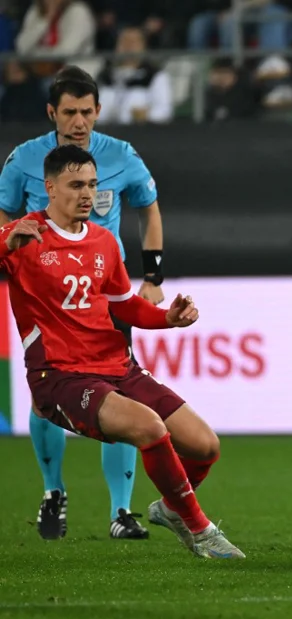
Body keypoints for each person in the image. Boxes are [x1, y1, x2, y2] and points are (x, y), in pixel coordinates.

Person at [1, 145, 244, 559]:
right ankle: (200, 529)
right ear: (50, 188)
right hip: (60, 377)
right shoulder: (23, 236)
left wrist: (167, 318)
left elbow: (123, 305)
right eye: (76, 185)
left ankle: (170, 509)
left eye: (92, 185)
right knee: (149, 427)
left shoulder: (104, 241)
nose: (87, 194)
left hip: (118, 367)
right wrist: (5, 243)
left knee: (205, 446)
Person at [0, 65, 167, 541]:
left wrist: (153, 275)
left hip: (103, 292)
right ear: (51, 112)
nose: (79, 121)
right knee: (46, 398)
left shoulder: (121, 155)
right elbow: (4, 216)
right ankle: (53, 489)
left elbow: (148, 207)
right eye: (69, 112)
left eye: (87, 112)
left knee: (121, 393)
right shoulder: (25, 160)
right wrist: (10, 244)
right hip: (46, 298)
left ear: (98, 110)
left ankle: (121, 510)